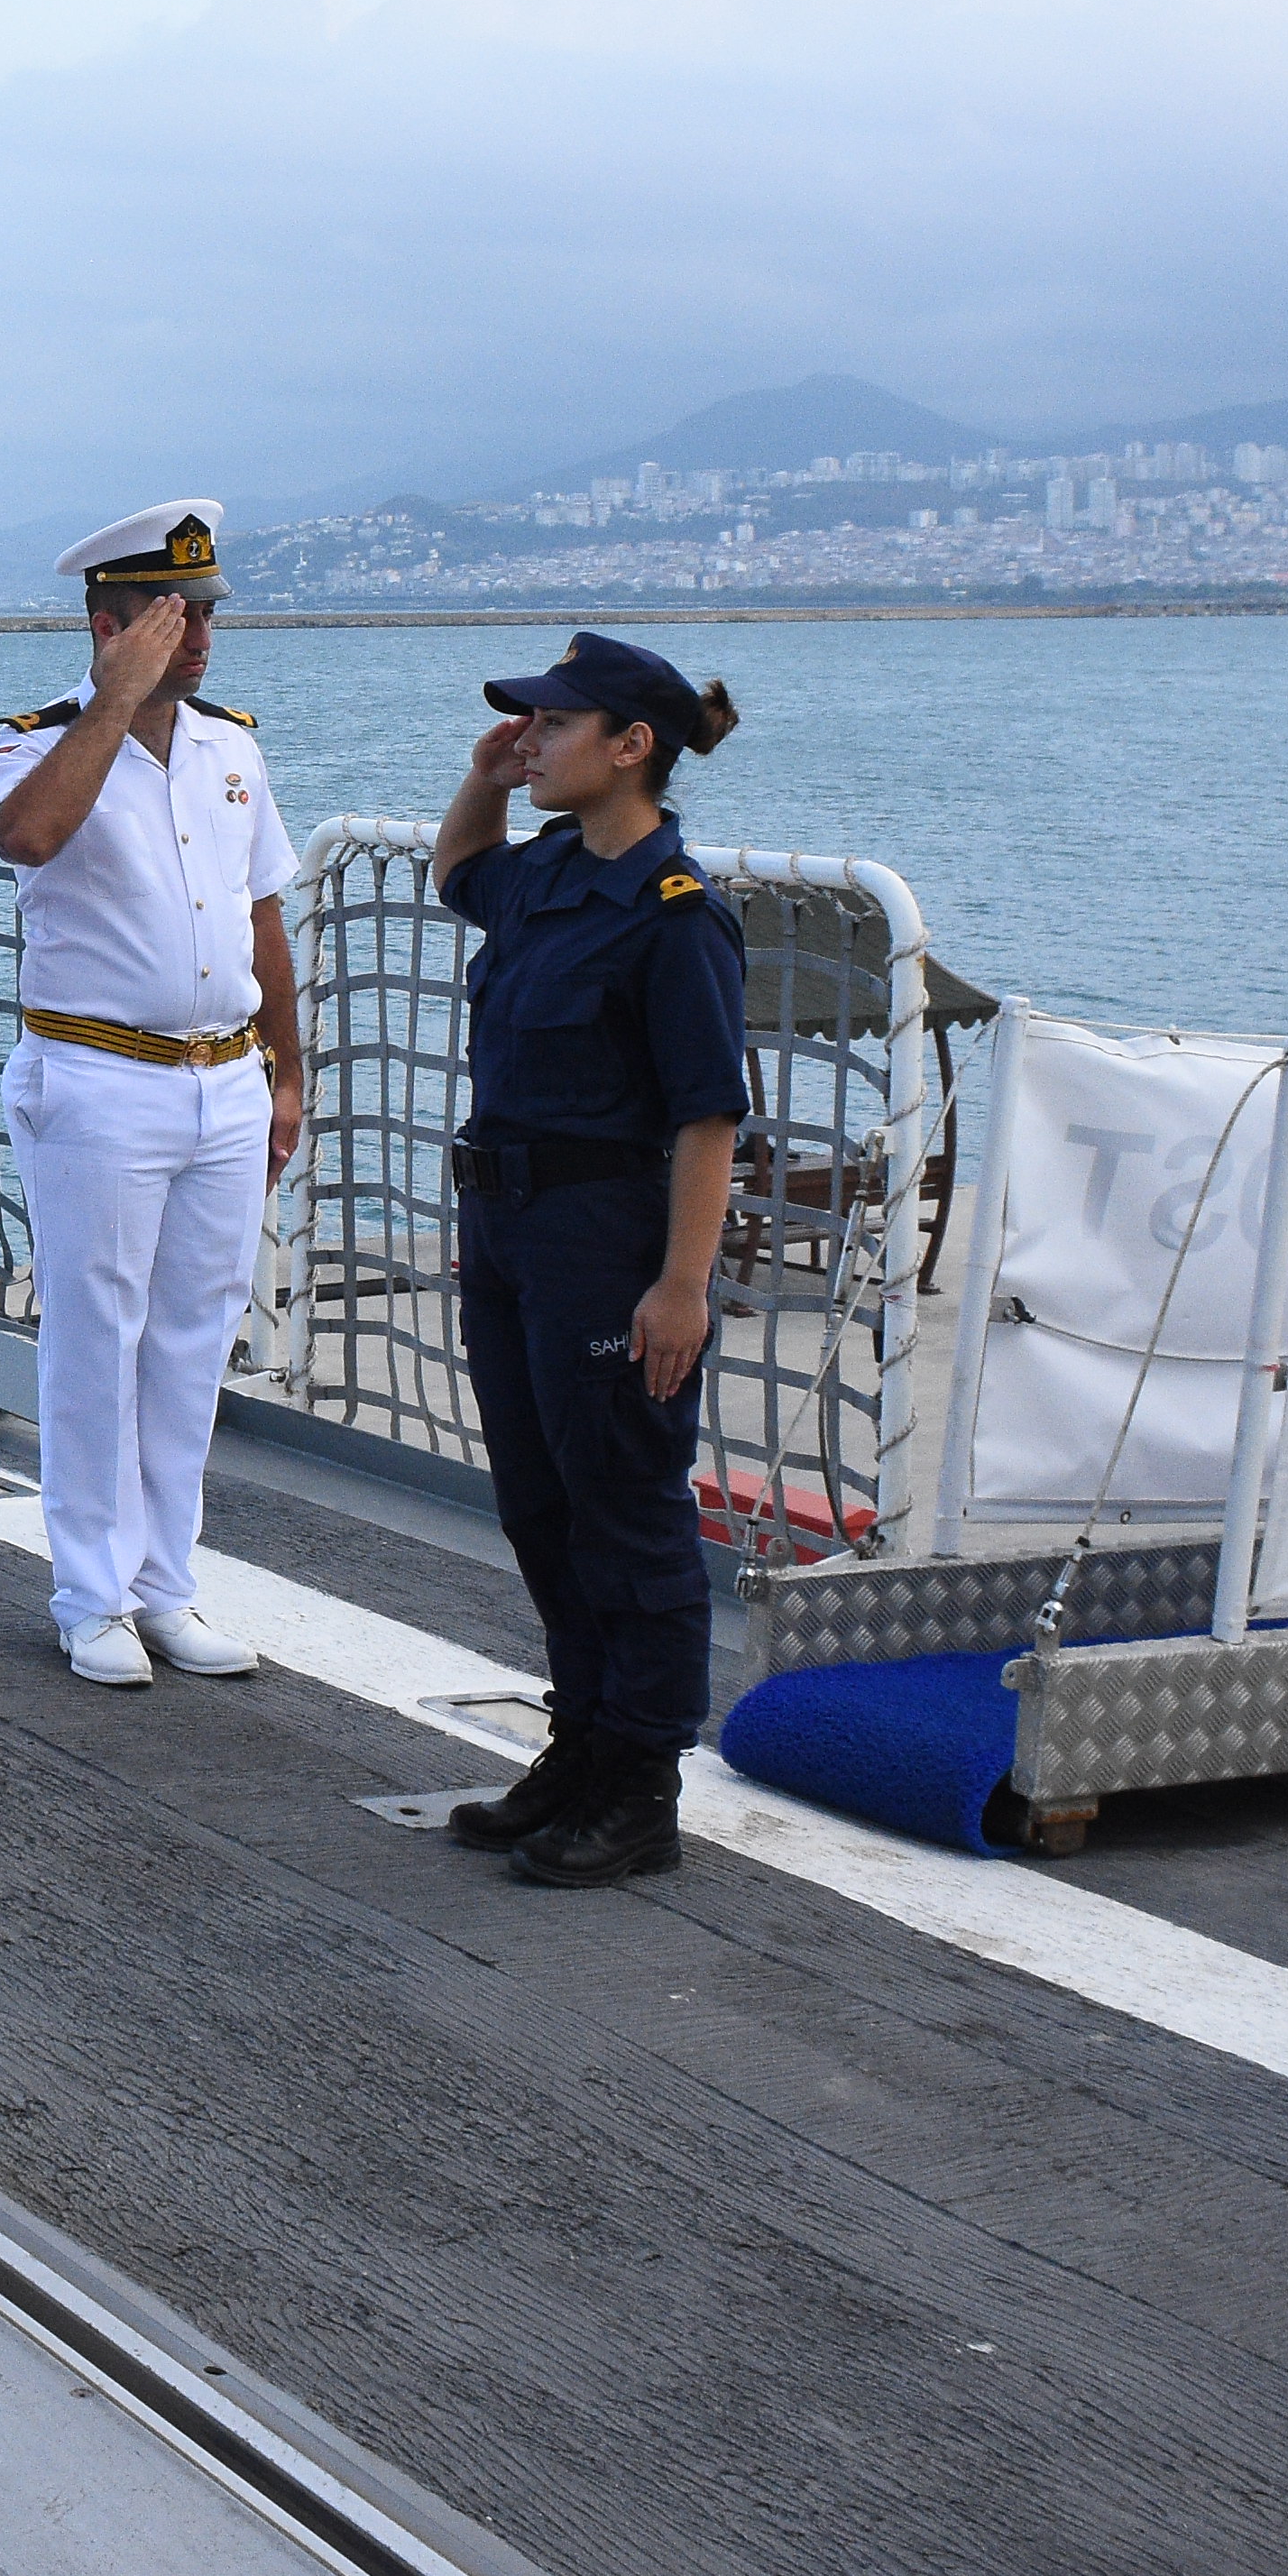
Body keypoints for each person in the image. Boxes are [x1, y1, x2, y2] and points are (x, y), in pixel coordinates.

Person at [427, 630, 750, 1886]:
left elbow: (706, 1119)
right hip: (508, 1228)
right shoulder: (552, 872)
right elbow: (462, 874)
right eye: (531, 723)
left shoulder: (675, 916)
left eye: (557, 726)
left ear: (632, 749)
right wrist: (485, 777)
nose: (536, 738)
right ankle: (579, 1743)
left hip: (606, 1242)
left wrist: (682, 1286)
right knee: (541, 1501)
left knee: (627, 1506)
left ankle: (640, 1782)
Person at [0, 502, 304, 1688]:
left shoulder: (231, 750)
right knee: (95, 1343)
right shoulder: (38, 743)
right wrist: (115, 702)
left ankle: (167, 1583)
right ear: (110, 627)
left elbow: (263, 912)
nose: (199, 634)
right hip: (99, 1075)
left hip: (222, 1078)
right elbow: (29, 836)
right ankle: (91, 1594)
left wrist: (290, 1067)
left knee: (190, 1341)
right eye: (173, 614)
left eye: (206, 610)